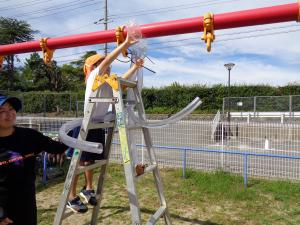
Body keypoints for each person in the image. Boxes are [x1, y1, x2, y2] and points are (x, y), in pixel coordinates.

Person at [67, 33, 144, 213]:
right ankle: (71, 197)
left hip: (98, 125)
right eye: (102, 64)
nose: (108, 67)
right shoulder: (94, 77)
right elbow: (107, 60)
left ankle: (88, 188)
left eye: (107, 65)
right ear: (92, 68)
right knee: (78, 164)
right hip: (85, 126)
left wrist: (135, 67)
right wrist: (125, 43)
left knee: (90, 162)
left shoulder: (108, 82)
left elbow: (122, 84)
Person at [0, 95, 68, 225]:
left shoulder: (29, 136)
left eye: (11, 109)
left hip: (27, 205)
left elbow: (57, 148)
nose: (8, 114)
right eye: (1, 111)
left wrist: (78, 132)